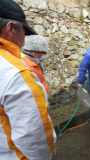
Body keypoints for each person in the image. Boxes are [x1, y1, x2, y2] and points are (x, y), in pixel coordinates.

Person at [0, 0, 56, 160]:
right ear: (10, 28)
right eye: (24, 32)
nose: (24, 39)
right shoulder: (17, 72)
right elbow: (35, 136)